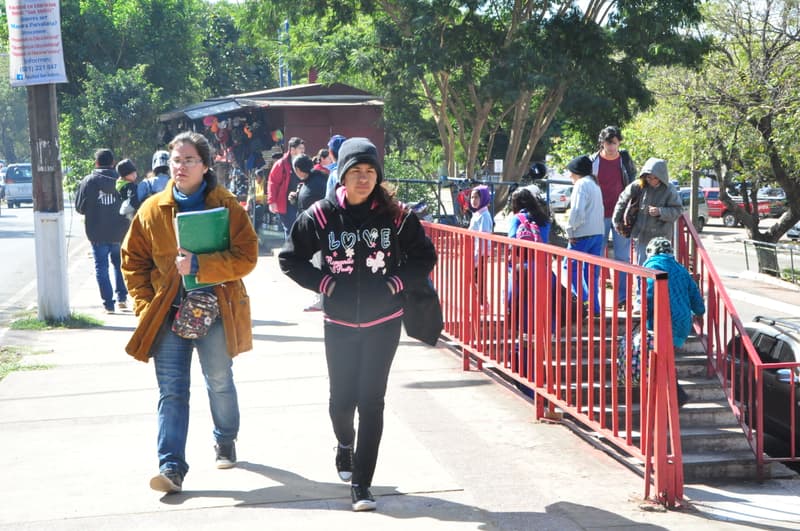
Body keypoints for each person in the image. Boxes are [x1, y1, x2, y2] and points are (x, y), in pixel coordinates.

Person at [278, 137, 437, 512]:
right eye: (355, 171)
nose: (363, 179)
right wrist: (325, 284)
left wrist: (396, 284)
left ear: (378, 177)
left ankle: (362, 485)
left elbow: (423, 256)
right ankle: (344, 445)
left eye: (370, 172)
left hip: (385, 322)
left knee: (372, 400)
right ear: (342, 176)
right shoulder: (320, 215)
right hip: (340, 323)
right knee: (342, 400)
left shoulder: (398, 217)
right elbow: (290, 259)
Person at [121, 131, 258, 494]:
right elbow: (132, 261)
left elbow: (247, 257)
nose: (179, 167)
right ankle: (171, 467)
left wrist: (200, 265)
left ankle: (225, 437)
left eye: (188, 160)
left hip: (215, 310)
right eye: (175, 160)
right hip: (168, 315)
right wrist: (145, 305)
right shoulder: (152, 209)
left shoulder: (226, 205)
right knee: (172, 391)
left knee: (219, 380)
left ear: (205, 165)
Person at [643, 237, 705, 407]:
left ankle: (675, 398)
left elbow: (648, 293)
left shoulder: (651, 266)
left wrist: (643, 312)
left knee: (661, 361)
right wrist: (699, 313)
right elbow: (696, 299)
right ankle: (673, 397)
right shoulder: (681, 269)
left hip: (663, 320)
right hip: (683, 322)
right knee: (665, 358)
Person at [75, 148, 130, 313]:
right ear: (113, 163)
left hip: (96, 232)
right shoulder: (122, 180)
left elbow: (80, 208)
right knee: (120, 265)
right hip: (120, 232)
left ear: (96, 163)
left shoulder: (88, 181)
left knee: (101, 267)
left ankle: (108, 304)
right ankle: (122, 298)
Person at [590, 126, 637, 306]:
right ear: (602, 143)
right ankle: (593, 299)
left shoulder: (624, 160)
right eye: (608, 143)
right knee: (595, 256)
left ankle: (623, 297)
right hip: (598, 214)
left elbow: (633, 184)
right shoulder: (593, 161)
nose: (612, 147)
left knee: (622, 257)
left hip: (621, 215)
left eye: (615, 143)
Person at [612, 158, 682, 266]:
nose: (652, 181)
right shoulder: (638, 185)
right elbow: (622, 200)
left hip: (660, 239)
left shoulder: (670, 190)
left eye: (655, 178)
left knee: (658, 268)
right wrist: (616, 220)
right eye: (649, 177)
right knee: (642, 267)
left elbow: (677, 210)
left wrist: (660, 212)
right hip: (641, 236)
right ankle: (641, 283)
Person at [564, 155, 604, 313]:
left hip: (581, 233)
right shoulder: (595, 184)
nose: (569, 175)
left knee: (570, 266)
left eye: (570, 172)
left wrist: (570, 229)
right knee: (591, 271)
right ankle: (594, 307)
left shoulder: (580, 184)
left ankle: (583, 301)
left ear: (576, 172)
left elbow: (577, 211)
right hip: (597, 232)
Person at [292, 153, 328, 312]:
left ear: (298, 170)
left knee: (318, 264)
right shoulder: (313, 180)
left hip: (318, 232)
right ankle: (320, 297)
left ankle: (320, 299)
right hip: (313, 231)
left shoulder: (318, 181)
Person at [267, 136, 306, 239]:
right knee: (290, 229)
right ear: (292, 150)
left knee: (300, 229)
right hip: (286, 204)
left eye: (303, 148)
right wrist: (272, 202)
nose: (303, 151)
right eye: (300, 148)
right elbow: (272, 183)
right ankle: (289, 252)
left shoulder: (304, 162)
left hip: (301, 202)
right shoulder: (281, 164)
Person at [467, 185, 493, 306]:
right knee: (474, 279)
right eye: (472, 197)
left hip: (480, 253)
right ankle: (480, 302)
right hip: (475, 252)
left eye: (477, 197)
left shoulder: (485, 216)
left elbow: (484, 237)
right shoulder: (477, 214)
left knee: (479, 279)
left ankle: (483, 304)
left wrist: (477, 256)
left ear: (483, 198)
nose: (474, 200)